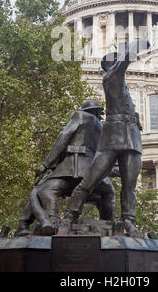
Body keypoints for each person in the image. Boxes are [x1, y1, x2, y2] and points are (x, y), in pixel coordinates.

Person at [64, 40, 149, 237]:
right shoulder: (111, 76)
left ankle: (128, 222)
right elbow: (123, 63)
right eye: (116, 61)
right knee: (90, 179)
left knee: (130, 186)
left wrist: (135, 120)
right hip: (112, 138)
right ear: (111, 65)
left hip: (131, 140)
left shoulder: (124, 86)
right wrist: (136, 45)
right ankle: (70, 216)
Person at [16, 100, 115, 236]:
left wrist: (46, 164)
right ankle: (109, 226)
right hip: (93, 172)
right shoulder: (103, 129)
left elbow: (64, 137)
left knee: (42, 189)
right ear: (98, 112)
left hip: (72, 167)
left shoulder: (79, 115)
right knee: (107, 193)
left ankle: (44, 222)